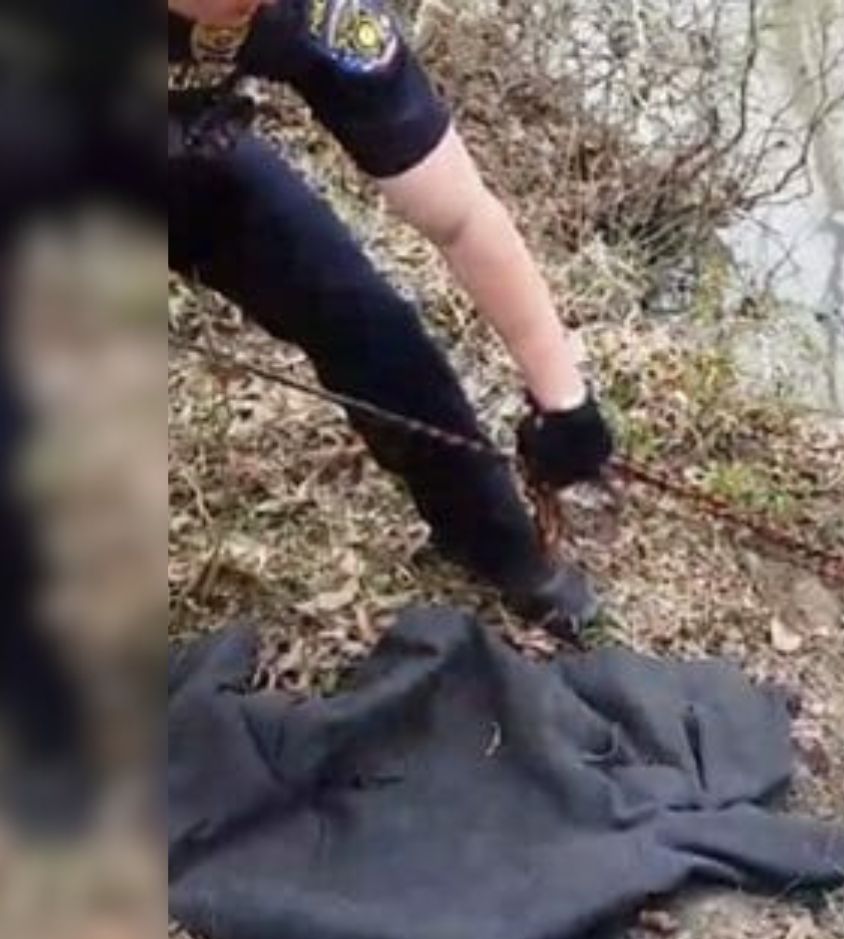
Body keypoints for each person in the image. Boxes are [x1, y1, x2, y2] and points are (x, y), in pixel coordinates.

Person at [165, 0, 615, 637]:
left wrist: (563, 398)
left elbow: (461, 217)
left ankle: (499, 547)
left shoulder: (327, 20)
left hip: (189, 155)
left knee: (367, 324)